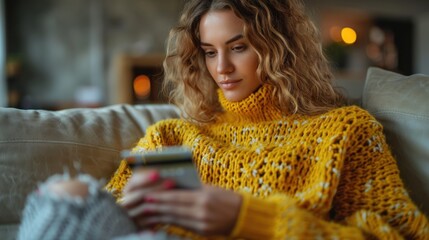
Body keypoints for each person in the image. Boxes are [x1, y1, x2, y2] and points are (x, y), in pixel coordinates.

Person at [18, 0, 429, 239]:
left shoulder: (345, 131)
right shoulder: (172, 135)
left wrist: (247, 218)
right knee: (68, 193)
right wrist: (132, 207)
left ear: (279, 48)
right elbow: (106, 225)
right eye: (209, 52)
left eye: (239, 47)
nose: (222, 68)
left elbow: (396, 235)